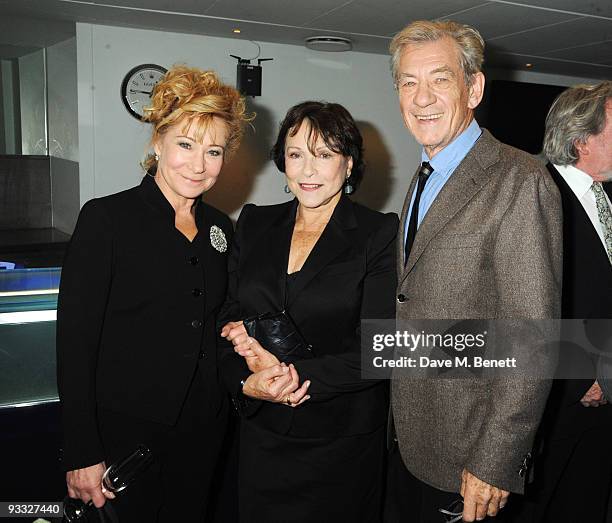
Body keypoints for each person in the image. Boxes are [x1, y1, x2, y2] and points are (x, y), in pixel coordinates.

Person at [56, 65, 251, 522]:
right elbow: (74, 342)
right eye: (185, 144)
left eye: (214, 150)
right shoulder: (107, 219)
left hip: (203, 430)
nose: (199, 164)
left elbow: (217, 318)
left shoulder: (222, 228)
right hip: (122, 431)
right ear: (157, 142)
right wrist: (82, 450)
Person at [385, 20, 563, 523]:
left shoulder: (520, 179)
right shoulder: (423, 178)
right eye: (408, 82)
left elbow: (532, 337)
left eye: (440, 79)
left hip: (471, 458)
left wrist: (495, 462)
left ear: (474, 88)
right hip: (415, 440)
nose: (422, 98)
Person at [218, 101, 398, 522]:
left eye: (324, 155)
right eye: (296, 154)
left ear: (349, 164)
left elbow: (381, 348)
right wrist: (246, 380)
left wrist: (293, 377)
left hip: (340, 440)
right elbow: (225, 315)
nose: (308, 170)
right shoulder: (254, 223)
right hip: (262, 432)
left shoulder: (379, 233)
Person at [517, 81, 612, 522]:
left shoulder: (608, 198)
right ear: (581, 140)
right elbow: (523, 305)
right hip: (553, 404)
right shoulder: (534, 194)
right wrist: (582, 380)